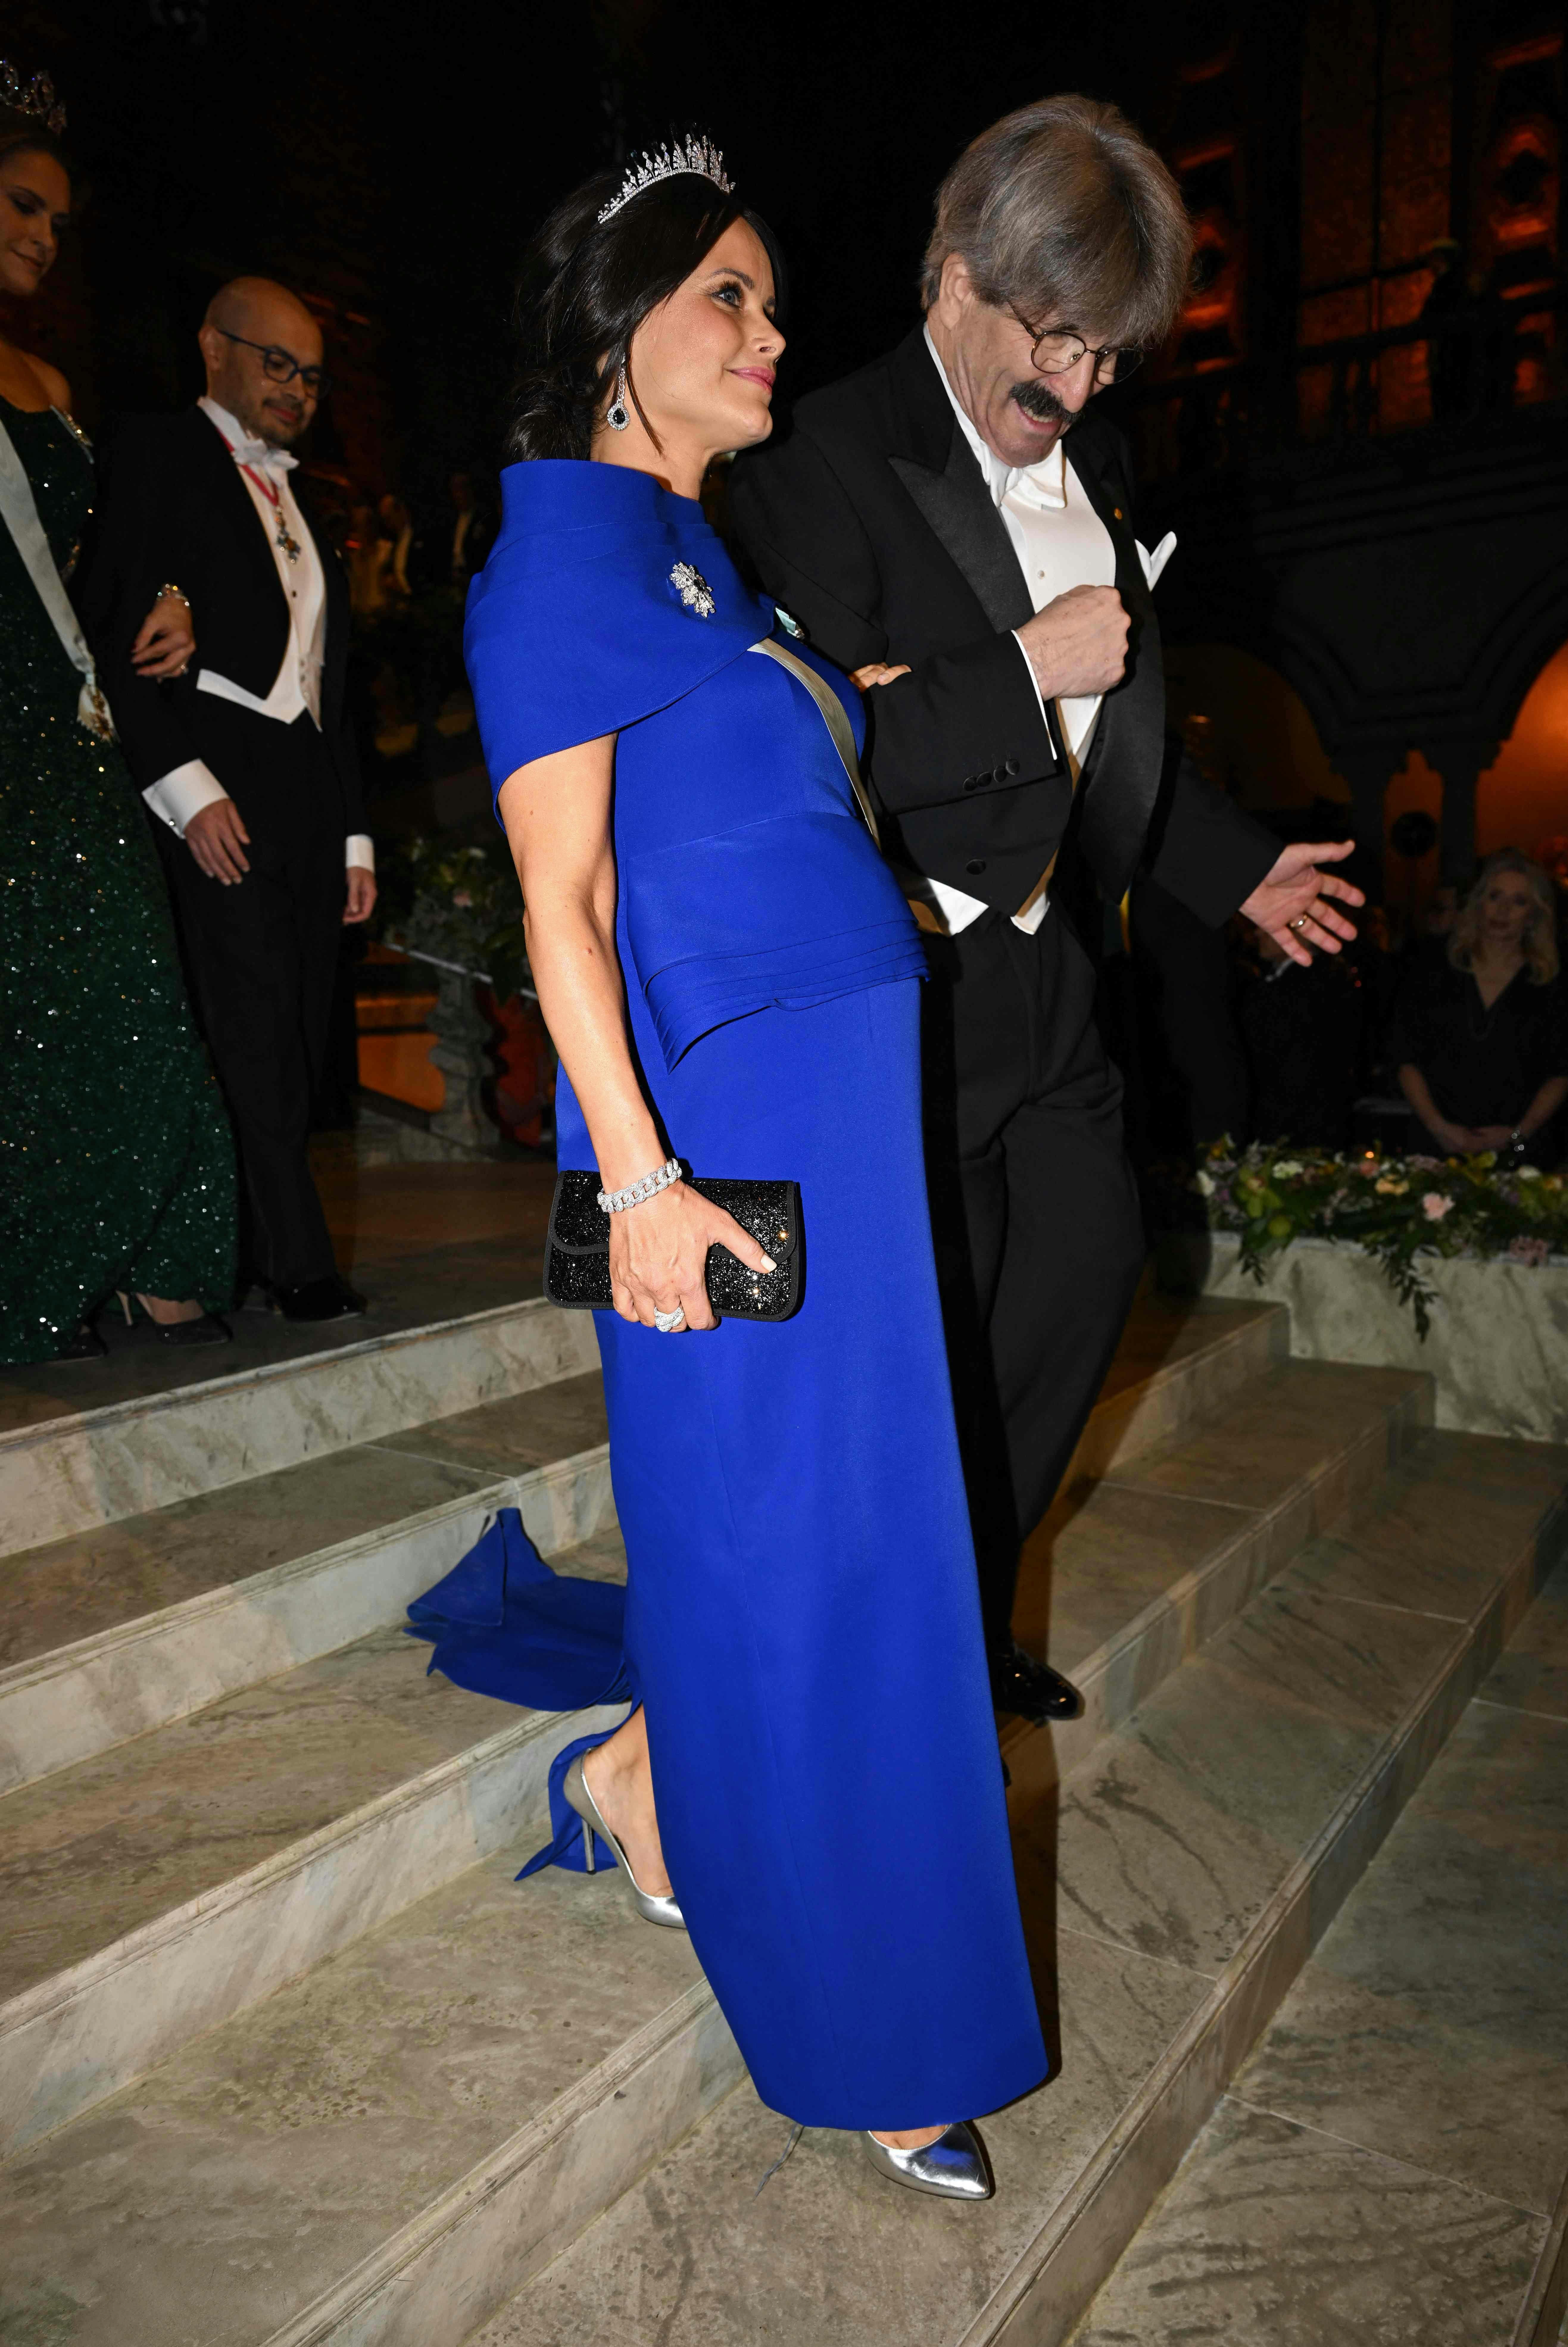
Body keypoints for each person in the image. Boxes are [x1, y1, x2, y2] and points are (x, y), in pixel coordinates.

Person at [439, 138, 1046, 2200]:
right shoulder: (560, 558)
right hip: (730, 1144)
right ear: (619, 333)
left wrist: (1000, 679)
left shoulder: (716, 568)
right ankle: (868, 2026)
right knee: (807, 1573)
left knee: (857, 1538)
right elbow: (562, 901)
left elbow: (799, 739)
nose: (771, 332)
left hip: (842, 1124)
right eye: (730, 296)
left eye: (770, 299)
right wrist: (637, 1186)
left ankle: (634, 1780)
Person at [730, 96, 1362, 1720]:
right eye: (1057, 341)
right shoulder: (816, 455)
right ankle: (903, 1642)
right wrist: (1023, 668)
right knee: (931, 1339)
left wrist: (1235, 870)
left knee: (1084, 1276)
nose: (1074, 391)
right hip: (905, 975)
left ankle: (963, 1592)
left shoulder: (1089, 463)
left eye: (1105, 360)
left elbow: (1119, 730)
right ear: (957, 272)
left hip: (1051, 969)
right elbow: (822, 741)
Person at [78, 276, 377, 1321]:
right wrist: (186, 792)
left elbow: (332, 684)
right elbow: (115, 619)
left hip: (301, 783)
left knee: (294, 1025)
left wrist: (355, 835)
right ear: (214, 347)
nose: (296, 389)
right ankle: (297, 1261)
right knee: (249, 1021)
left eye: (311, 375)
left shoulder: (307, 499)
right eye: (275, 363)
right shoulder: (157, 450)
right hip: (216, 782)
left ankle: (247, 1241)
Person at [0, 65, 235, 1365]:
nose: (47, 232)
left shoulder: (47, 377)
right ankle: (59, 1273)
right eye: (24, 204)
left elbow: (87, 572)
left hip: (69, 728)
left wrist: (170, 600)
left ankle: (155, 1265)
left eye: (57, 216)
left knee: (135, 993)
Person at [1391, 850, 1568, 1162]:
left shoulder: (1551, 981)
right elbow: (1405, 1056)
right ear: (1478, 903)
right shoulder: (1433, 966)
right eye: (1494, 896)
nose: (1502, 911)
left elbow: (1561, 1072)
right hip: (1436, 1143)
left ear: (1533, 914)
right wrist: (1439, 1128)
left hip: (1520, 1149)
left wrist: (1518, 1136)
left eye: (1518, 902)